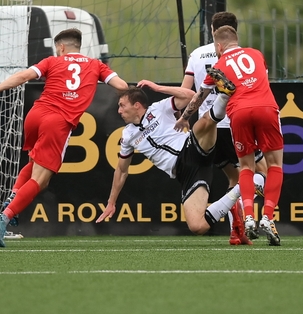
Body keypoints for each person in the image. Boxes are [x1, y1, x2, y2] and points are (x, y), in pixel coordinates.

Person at [0, 28, 128, 247]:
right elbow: (121, 86)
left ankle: (14, 197)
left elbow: (24, 76)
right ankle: (5, 217)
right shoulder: (96, 65)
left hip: (35, 115)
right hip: (57, 123)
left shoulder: (51, 62)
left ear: (61, 47)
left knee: (33, 165)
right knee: (41, 180)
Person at [96, 77, 245, 239]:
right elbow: (121, 170)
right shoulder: (127, 135)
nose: (119, 111)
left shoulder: (159, 108)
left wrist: (158, 88)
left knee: (203, 124)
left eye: (122, 106)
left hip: (190, 149)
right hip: (187, 173)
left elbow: (190, 96)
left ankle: (223, 95)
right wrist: (111, 202)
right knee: (197, 226)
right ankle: (241, 189)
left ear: (136, 105)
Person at [181, 11, 267, 245]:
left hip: (209, 129)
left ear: (212, 30)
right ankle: (230, 215)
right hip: (235, 122)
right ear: (235, 31)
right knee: (261, 172)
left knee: (234, 176)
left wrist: (184, 117)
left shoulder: (197, 54)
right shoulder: (247, 56)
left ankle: (235, 231)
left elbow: (188, 92)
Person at [197, 26, 284, 246]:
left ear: (219, 46)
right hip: (266, 108)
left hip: (238, 112)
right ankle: (268, 218)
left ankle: (248, 218)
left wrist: (184, 117)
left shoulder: (218, 65)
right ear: (237, 40)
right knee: (274, 166)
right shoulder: (256, 54)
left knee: (245, 168)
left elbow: (200, 96)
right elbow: (262, 81)